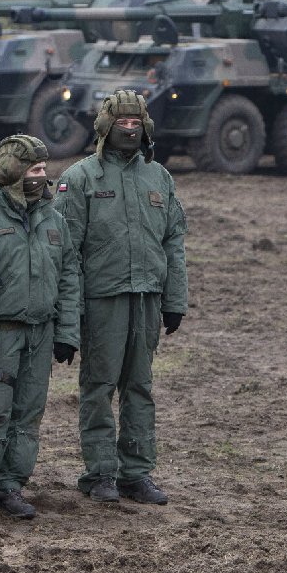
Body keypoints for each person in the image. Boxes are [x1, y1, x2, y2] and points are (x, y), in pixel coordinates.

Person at [55, 90, 187, 505]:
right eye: (121, 124)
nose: (128, 130)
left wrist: (175, 300)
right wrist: (69, 316)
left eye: (135, 124)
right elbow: (65, 252)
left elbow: (174, 241)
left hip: (147, 297)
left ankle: (136, 472)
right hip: (102, 299)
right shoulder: (80, 178)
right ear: (104, 128)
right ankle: (100, 473)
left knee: (140, 387)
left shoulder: (158, 177)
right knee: (98, 387)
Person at [0, 135, 80, 524]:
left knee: (28, 414)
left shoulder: (53, 219)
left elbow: (69, 276)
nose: (43, 176)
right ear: (13, 172)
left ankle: (10, 485)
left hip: (41, 333)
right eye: (35, 169)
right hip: (1, 336)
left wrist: (67, 333)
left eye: (43, 169)